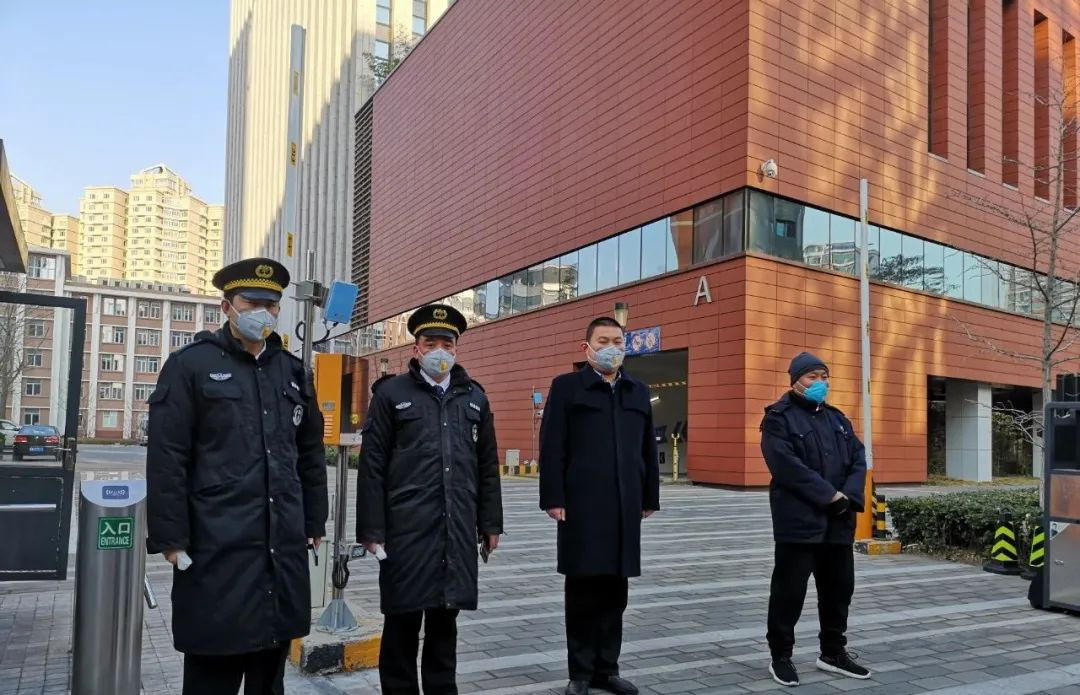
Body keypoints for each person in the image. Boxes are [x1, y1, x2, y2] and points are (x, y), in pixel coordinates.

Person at [146, 257, 328, 695]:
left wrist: (314, 522)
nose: (262, 313)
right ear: (227, 306)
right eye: (252, 303)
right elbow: (168, 457)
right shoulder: (190, 365)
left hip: (279, 548)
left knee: (269, 675)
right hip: (216, 548)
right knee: (213, 674)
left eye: (271, 304)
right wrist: (171, 538)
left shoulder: (293, 371)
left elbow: (309, 452)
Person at [355, 303, 503, 695]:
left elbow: (488, 466)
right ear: (416, 348)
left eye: (447, 343)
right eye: (430, 342)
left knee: (444, 624)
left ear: (456, 348)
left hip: (455, 529)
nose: (439, 350)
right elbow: (372, 468)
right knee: (402, 623)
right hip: (405, 531)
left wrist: (490, 523)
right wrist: (371, 530)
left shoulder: (474, 398)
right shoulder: (391, 395)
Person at [539, 316, 661, 695]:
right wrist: (553, 497)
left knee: (615, 592)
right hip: (581, 506)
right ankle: (580, 672)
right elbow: (552, 446)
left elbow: (647, 447)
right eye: (604, 341)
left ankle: (607, 669)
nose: (612, 348)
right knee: (582, 591)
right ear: (587, 347)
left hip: (625, 506)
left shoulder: (638, 391)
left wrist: (649, 496)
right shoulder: (567, 388)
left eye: (618, 341)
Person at [760, 352, 871, 688]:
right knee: (789, 592)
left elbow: (858, 459)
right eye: (812, 377)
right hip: (799, 523)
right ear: (795, 380)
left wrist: (848, 497)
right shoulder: (778, 419)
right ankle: (781, 656)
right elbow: (786, 467)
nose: (820, 383)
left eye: (824, 377)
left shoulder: (838, 419)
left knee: (839, 590)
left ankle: (833, 652)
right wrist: (829, 496)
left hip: (839, 522)